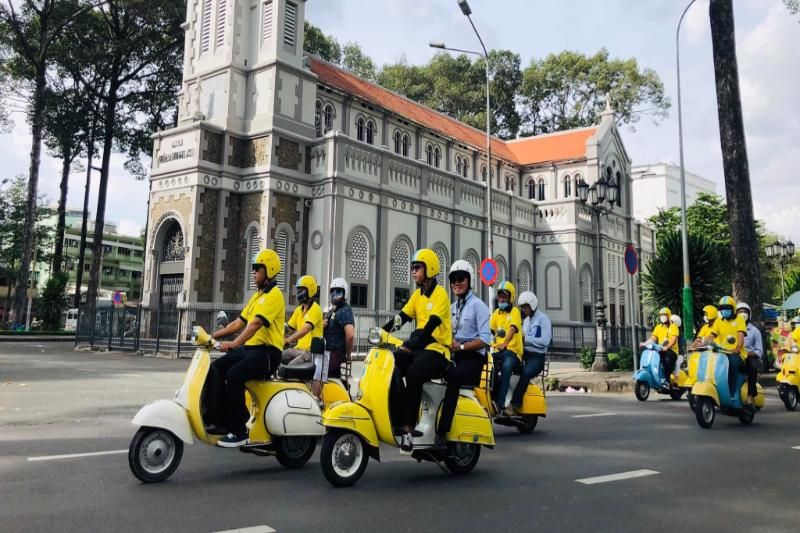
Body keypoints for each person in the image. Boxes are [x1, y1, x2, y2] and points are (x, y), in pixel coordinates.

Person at [209, 249, 285, 447]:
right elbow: (239, 323)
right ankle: (222, 420)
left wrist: (234, 344)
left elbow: (255, 325)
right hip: (251, 350)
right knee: (217, 367)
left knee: (234, 375)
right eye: (253, 270)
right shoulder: (257, 296)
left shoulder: (274, 295)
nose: (253, 273)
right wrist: (212, 336)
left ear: (268, 270)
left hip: (268, 353)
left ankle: (239, 429)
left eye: (257, 269)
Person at [382, 248, 451, 454]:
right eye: (412, 268)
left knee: (413, 374)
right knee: (391, 364)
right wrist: (382, 331)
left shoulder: (440, 295)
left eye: (417, 268)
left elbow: (429, 328)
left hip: (438, 352)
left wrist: (410, 344)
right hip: (421, 350)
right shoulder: (418, 295)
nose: (413, 272)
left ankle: (408, 429)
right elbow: (401, 318)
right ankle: (397, 416)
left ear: (429, 269)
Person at [438, 260, 491, 439]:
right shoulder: (451, 308)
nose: (456, 283)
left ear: (469, 281)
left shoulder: (479, 306)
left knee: (452, 377)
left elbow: (485, 339)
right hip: (454, 356)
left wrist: (460, 347)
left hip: (473, 359)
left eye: (461, 278)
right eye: (453, 279)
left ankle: (442, 431)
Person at [509, 291, 551, 414]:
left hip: (537, 358)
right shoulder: (526, 321)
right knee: (506, 366)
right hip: (525, 355)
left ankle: (515, 403)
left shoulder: (543, 320)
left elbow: (545, 341)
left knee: (526, 372)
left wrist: (526, 338)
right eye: (522, 307)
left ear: (531, 306)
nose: (523, 310)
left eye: (525, 307)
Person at [284, 275, 325, 399]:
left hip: (309, 352)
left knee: (289, 367)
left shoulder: (316, 310)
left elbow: (305, 330)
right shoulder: (298, 310)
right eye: (298, 291)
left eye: (301, 290)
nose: (298, 294)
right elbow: (288, 328)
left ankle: (295, 397)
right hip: (297, 349)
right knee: (277, 359)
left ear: (310, 291)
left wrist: (288, 340)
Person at [490, 281, 524, 416]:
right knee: (486, 364)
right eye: (500, 297)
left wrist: (505, 343)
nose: (502, 299)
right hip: (500, 352)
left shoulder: (515, 312)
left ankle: (501, 403)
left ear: (511, 298)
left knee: (506, 367)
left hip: (513, 354)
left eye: (504, 297)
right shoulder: (497, 313)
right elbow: (490, 330)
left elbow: (512, 329)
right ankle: (491, 396)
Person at [708, 295, 747, 400]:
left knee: (731, 364)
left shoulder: (739, 320)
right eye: (722, 308)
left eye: (727, 308)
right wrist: (704, 343)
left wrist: (737, 348)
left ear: (733, 309)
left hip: (736, 354)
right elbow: (711, 336)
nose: (725, 311)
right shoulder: (718, 321)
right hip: (721, 353)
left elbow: (740, 336)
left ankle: (733, 392)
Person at [323, 277, 355, 382]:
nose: (335, 294)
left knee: (320, 374)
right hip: (327, 352)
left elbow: (350, 335)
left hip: (335, 353)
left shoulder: (344, 310)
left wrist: (348, 354)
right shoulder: (333, 310)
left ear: (345, 293)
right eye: (332, 291)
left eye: (339, 291)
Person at [640, 307, 679, 384]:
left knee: (667, 360)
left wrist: (667, 347)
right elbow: (653, 338)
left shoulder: (673, 327)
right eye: (661, 315)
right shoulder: (658, 327)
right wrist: (645, 343)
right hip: (660, 349)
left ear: (669, 316)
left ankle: (667, 380)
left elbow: (673, 339)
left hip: (672, 351)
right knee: (652, 358)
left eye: (664, 315)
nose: (663, 317)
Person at [737, 302, 762, 408]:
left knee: (752, 366)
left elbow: (759, 351)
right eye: (740, 312)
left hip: (748, 358)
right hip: (733, 356)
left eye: (745, 312)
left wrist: (748, 353)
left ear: (749, 314)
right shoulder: (732, 329)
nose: (743, 314)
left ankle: (750, 395)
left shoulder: (755, 331)